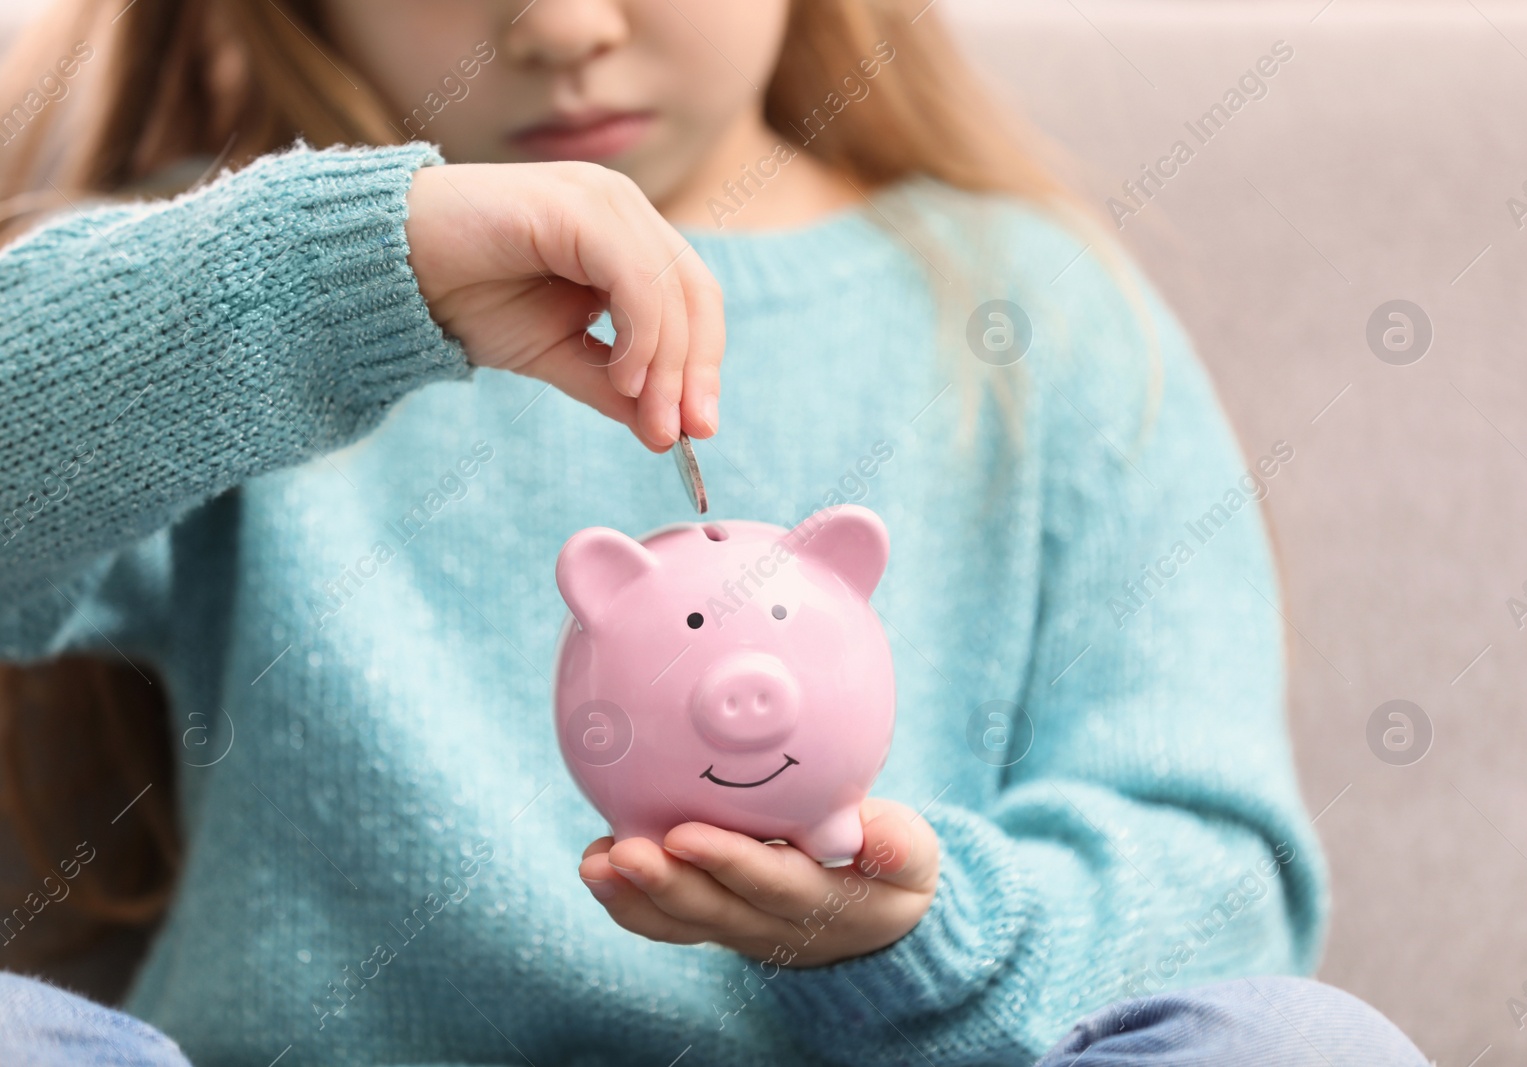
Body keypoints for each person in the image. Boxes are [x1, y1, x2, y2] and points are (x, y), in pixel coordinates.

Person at [0, 1, 1430, 1064]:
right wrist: (344, 279)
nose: (562, 29)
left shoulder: (1034, 315)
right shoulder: (235, 288)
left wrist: (918, 933)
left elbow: (1221, 895)